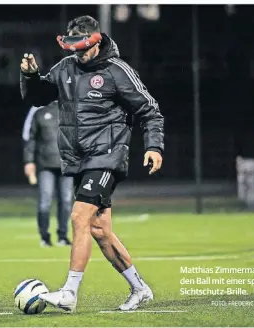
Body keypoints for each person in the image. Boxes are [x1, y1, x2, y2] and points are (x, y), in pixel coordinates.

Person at [20, 15, 164, 312]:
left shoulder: (117, 71)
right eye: (73, 48)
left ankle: (70, 292)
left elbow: (150, 111)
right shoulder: (65, 68)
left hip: (107, 156)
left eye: (83, 48)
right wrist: (31, 77)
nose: (78, 54)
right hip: (80, 160)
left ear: (97, 43)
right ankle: (139, 288)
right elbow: (39, 97)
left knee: (78, 217)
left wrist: (154, 146)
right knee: (99, 230)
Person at [22, 100, 74, 247]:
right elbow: (29, 138)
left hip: (66, 164)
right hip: (45, 165)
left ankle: (62, 236)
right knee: (45, 202)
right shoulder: (37, 110)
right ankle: (44, 237)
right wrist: (28, 161)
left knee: (65, 201)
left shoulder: (69, 109)